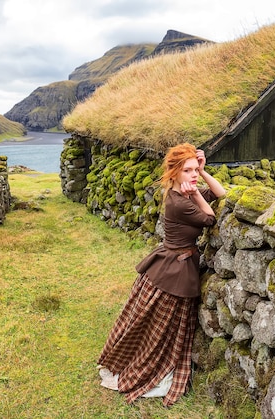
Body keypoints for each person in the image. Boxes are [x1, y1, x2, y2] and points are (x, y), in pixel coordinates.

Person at [96, 143, 226, 406]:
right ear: (175, 172)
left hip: (172, 263)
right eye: (187, 170)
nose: (192, 175)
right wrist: (197, 194)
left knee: (146, 321)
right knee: (154, 324)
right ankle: (138, 366)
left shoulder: (181, 193)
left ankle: (131, 358)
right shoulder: (179, 202)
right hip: (174, 269)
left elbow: (220, 192)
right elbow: (210, 218)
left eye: (194, 169)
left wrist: (202, 171)